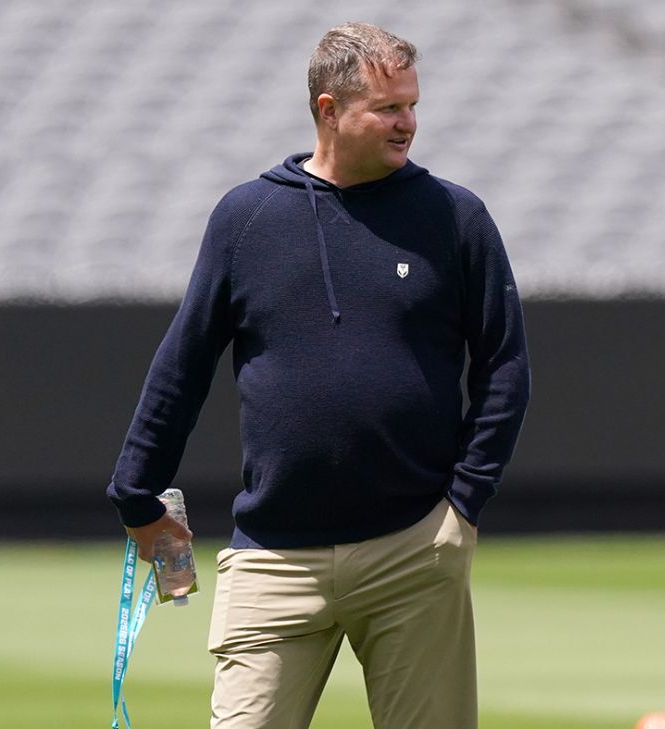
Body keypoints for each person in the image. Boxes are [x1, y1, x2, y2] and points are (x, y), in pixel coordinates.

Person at [107, 22, 531, 729]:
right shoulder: (247, 217)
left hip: (413, 549)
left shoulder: (455, 216)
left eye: (412, 105)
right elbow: (184, 364)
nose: (408, 123)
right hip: (273, 556)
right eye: (388, 108)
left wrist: (464, 504)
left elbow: (505, 366)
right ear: (329, 110)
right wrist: (135, 490)